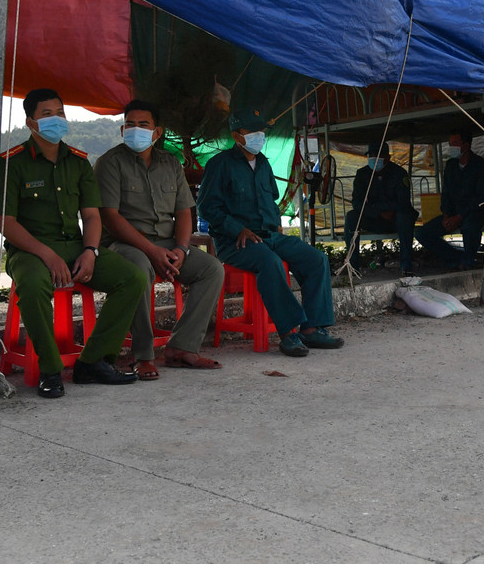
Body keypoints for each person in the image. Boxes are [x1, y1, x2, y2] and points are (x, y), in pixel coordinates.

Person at [0, 88, 148, 398]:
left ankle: (93, 361)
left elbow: (92, 217)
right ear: (31, 122)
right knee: (31, 284)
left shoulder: (79, 163)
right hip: (30, 251)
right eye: (47, 115)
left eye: (60, 113)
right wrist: (47, 255)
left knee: (132, 277)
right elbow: (7, 223)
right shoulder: (13, 162)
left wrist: (91, 252)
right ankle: (50, 370)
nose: (56, 120)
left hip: (75, 246)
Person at [94, 99, 226, 380]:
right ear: (121, 129)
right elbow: (111, 218)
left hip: (167, 244)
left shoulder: (171, 164)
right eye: (130, 124)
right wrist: (152, 250)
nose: (136, 130)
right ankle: (142, 356)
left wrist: (180, 248)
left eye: (144, 125)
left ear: (157, 132)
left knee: (211, 268)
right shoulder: (109, 162)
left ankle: (181, 348)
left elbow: (184, 212)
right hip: (126, 245)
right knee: (138, 270)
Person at [197, 108, 345, 357]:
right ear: (237, 136)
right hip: (234, 242)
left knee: (316, 259)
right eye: (253, 131)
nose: (260, 136)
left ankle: (311, 329)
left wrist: (277, 224)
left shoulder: (263, 163)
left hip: (269, 236)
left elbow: (272, 201)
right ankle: (288, 334)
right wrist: (237, 229)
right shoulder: (219, 165)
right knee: (271, 263)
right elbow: (207, 207)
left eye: (262, 131)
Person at [414, 128, 484, 270]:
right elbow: (446, 193)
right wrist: (447, 216)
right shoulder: (451, 165)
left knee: (470, 227)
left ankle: (468, 261)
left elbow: (481, 198)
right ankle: (456, 257)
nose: (451, 148)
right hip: (453, 213)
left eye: (455, 144)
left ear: (466, 145)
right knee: (423, 233)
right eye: (450, 144)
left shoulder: (480, 165)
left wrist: (459, 217)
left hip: (473, 213)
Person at [343, 141, 418, 275]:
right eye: (371, 156)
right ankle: (352, 266)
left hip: (395, 219)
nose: (374, 159)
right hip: (375, 218)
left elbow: (403, 201)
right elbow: (357, 202)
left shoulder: (399, 173)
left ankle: (406, 265)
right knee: (352, 217)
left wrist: (387, 210)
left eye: (377, 155)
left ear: (387, 158)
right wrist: (378, 212)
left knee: (405, 216)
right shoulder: (363, 174)